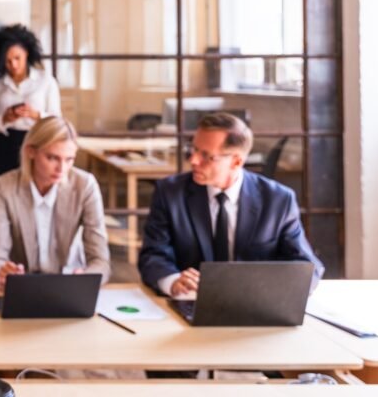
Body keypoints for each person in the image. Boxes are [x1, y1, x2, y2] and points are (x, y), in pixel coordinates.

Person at [138, 112, 324, 297]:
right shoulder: (170, 193)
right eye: (193, 149)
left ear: (236, 161)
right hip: (191, 301)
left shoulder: (278, 200)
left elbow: (307, 268)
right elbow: (153, 255)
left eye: (206, 155)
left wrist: (267, 290)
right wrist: (173, 282)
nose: (193, 160)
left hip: (256, 306)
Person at [0, 115, 110, 287]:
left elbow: (101, 261)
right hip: (22, 287)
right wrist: (3, 272)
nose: (62, 169)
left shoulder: (85, 185)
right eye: (52, 158)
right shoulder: (4, 186)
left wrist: (86, 278)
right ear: (31, 152)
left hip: (69, 284)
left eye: (69, 159)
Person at [0, 24, 61, 187]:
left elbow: (57, 121)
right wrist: (4, 119)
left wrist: (36, 115)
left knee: (32, 190)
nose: (13, 65)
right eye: (7, 61)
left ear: (27, 53)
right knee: (1, 189)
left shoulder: (46, 81)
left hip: (36, 143)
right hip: (3, 145)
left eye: (17, 58)